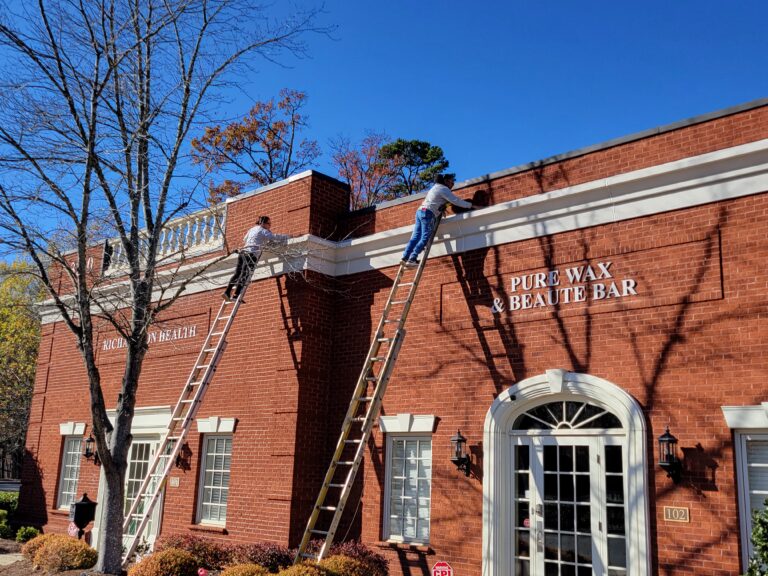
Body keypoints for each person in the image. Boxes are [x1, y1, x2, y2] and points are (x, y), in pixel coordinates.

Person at [401, 174, 475, 267]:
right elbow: (456, 201)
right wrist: (471, 205)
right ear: (446, 181)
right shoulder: (444, 189)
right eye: (452, 182)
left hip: (420, 211)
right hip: (428, 213)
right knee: (425, 237)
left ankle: (405, 257)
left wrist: (442, 209)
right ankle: (412, 258)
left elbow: (440, 201)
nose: (452, 184)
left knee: (415, 237)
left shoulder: (434, 188)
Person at [223, 215, 291, 300]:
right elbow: (273, 237)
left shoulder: (252, 229)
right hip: (252, 254)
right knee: (245, 274)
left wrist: (260, 240)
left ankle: (227, 292)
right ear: (263, 223)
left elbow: (245, 239)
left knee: (238, 273)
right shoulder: (263, 230)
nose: (270, 225)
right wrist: (287, 237)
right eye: (269, 223)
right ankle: (236, 295)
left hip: (243, 252)